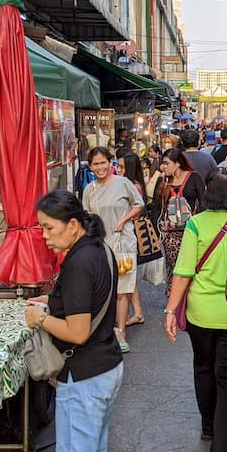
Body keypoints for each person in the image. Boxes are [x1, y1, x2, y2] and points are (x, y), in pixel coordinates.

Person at [24, 190, 122, 452]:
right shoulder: (99, 248)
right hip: (106, 366)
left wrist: (39, 318)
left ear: (73, 226)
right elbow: (91, 298)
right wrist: (52, 301)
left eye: (48, 227)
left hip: (85, 376)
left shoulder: (80, 262)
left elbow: (77, 332)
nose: (44, 235)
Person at [163, 169, 227, 452]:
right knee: (226, 376)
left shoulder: (195, 225)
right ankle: (221, 450)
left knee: (203, 367)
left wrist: (170, 311)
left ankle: (207, 427)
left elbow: (183, 272)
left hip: (200, 313)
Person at [81, 147, 145, 354]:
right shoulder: (89, 190)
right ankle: (102, 331)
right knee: (100, 289)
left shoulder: (123, 183)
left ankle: (121, 333)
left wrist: (124, 220)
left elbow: (139, 205)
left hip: (123, 243)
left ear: (110, 164)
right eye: (95, 164)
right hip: (100, 246)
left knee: (122, 291)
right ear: (90, 167)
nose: (100, 167)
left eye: (103, 162)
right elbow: (86, 218)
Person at [155, 147, 206, 294]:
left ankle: (186, 299)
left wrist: (198, 225)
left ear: (177, 164)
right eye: (162, 163)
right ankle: (175, 301)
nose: (162, 167)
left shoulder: (194, 177)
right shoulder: (163, 181)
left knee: (189, 267)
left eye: (166, 163)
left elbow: (204, 202)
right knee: (175, 268)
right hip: (170, 235)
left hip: (190, 231)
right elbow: (157, 207)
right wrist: (159, 230)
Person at [118, 152, 147, 328]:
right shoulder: (133, 184)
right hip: (129, 234)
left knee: (126, 274)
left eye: (121, 167)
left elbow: (136, 209)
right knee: (129, 275)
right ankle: (138, 313)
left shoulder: (131, 186)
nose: (118, 170)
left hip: (129, 234)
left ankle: (134, 313)